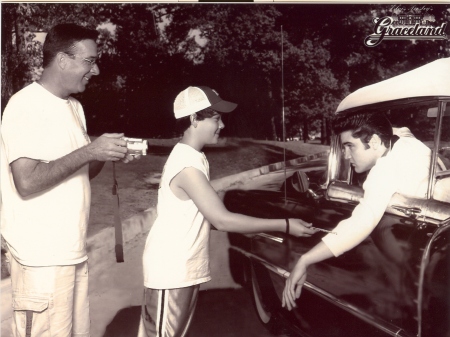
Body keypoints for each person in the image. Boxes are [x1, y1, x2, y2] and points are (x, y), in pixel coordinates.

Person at [138, 86, 318, 337]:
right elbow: (221, 220)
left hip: (183, 267)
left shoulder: (195, 157)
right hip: (170, 270)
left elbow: (205, 214)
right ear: (193, 119)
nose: (221, 125)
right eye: (215, 118)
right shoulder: (186, 165)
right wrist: (284, 224)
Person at [1, 23, 137, 337]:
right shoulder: (26, 105)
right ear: (63, 60)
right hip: (41, 259)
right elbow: (28, 181)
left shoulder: (74, 107)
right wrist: (91, 149)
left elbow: (79, 169)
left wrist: (102, 155)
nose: (97, 69)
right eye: (89, 60)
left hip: (70, 251)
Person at [282, 112, 432, 310]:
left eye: (350, 146)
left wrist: (305, 259)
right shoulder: (409, 145)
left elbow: (362, 221)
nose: (345, 155)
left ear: (376, 141)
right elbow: (402, 132)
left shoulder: (385, 171)